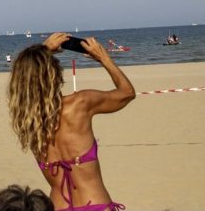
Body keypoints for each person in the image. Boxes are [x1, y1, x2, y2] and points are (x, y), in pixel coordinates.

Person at [8, 33, 135, 211]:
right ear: (54, 75)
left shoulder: (29, 120)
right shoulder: (80, 104)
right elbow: (127, 93)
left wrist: (43, 51)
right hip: (94, 204)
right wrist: (103, 58)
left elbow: (28, 71)